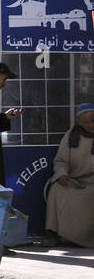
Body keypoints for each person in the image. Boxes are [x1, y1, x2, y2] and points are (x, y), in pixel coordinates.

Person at [44, 104, 94, 247]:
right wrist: (62, 174)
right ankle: (53, 234)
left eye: (93, 120)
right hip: (76, 181)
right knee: (56, 190)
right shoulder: (71, 136)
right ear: (79, 122)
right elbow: (61, 160)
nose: (91, 125)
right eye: (86, 122)